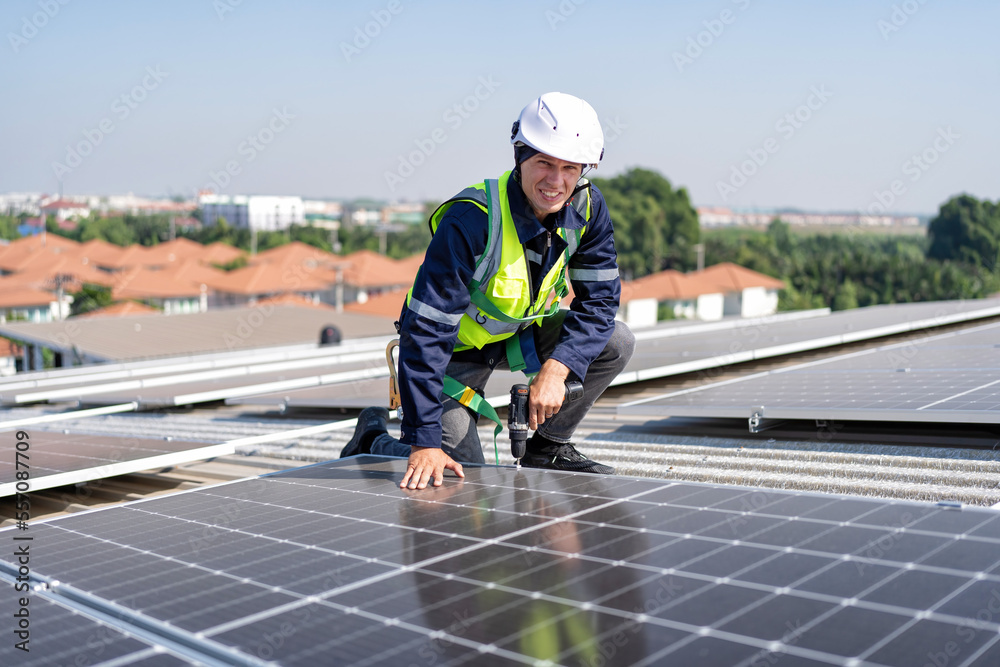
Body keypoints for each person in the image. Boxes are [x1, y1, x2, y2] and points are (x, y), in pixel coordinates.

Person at [341, 92, 635, 490]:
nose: (556, 180)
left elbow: (599, 303)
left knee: (616, 340)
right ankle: (373, 440)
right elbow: (426, 333)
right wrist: (424, 441)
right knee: (458, 476)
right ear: (519, 156)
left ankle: (548, 448)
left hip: (517, 337)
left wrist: (557, 366)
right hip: (451, 356)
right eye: (544, 163)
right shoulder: (472, 220)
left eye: (570, 167)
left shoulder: (587, 207)